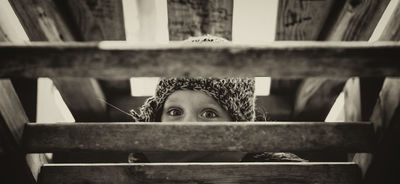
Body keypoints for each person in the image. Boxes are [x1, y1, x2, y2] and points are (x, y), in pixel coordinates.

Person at [129, 35, 304, 163]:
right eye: (175, 112)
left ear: (237, 124)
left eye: (209, 114)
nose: (188, 125)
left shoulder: (273, 177)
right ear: (157, 118)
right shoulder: (138, 172)